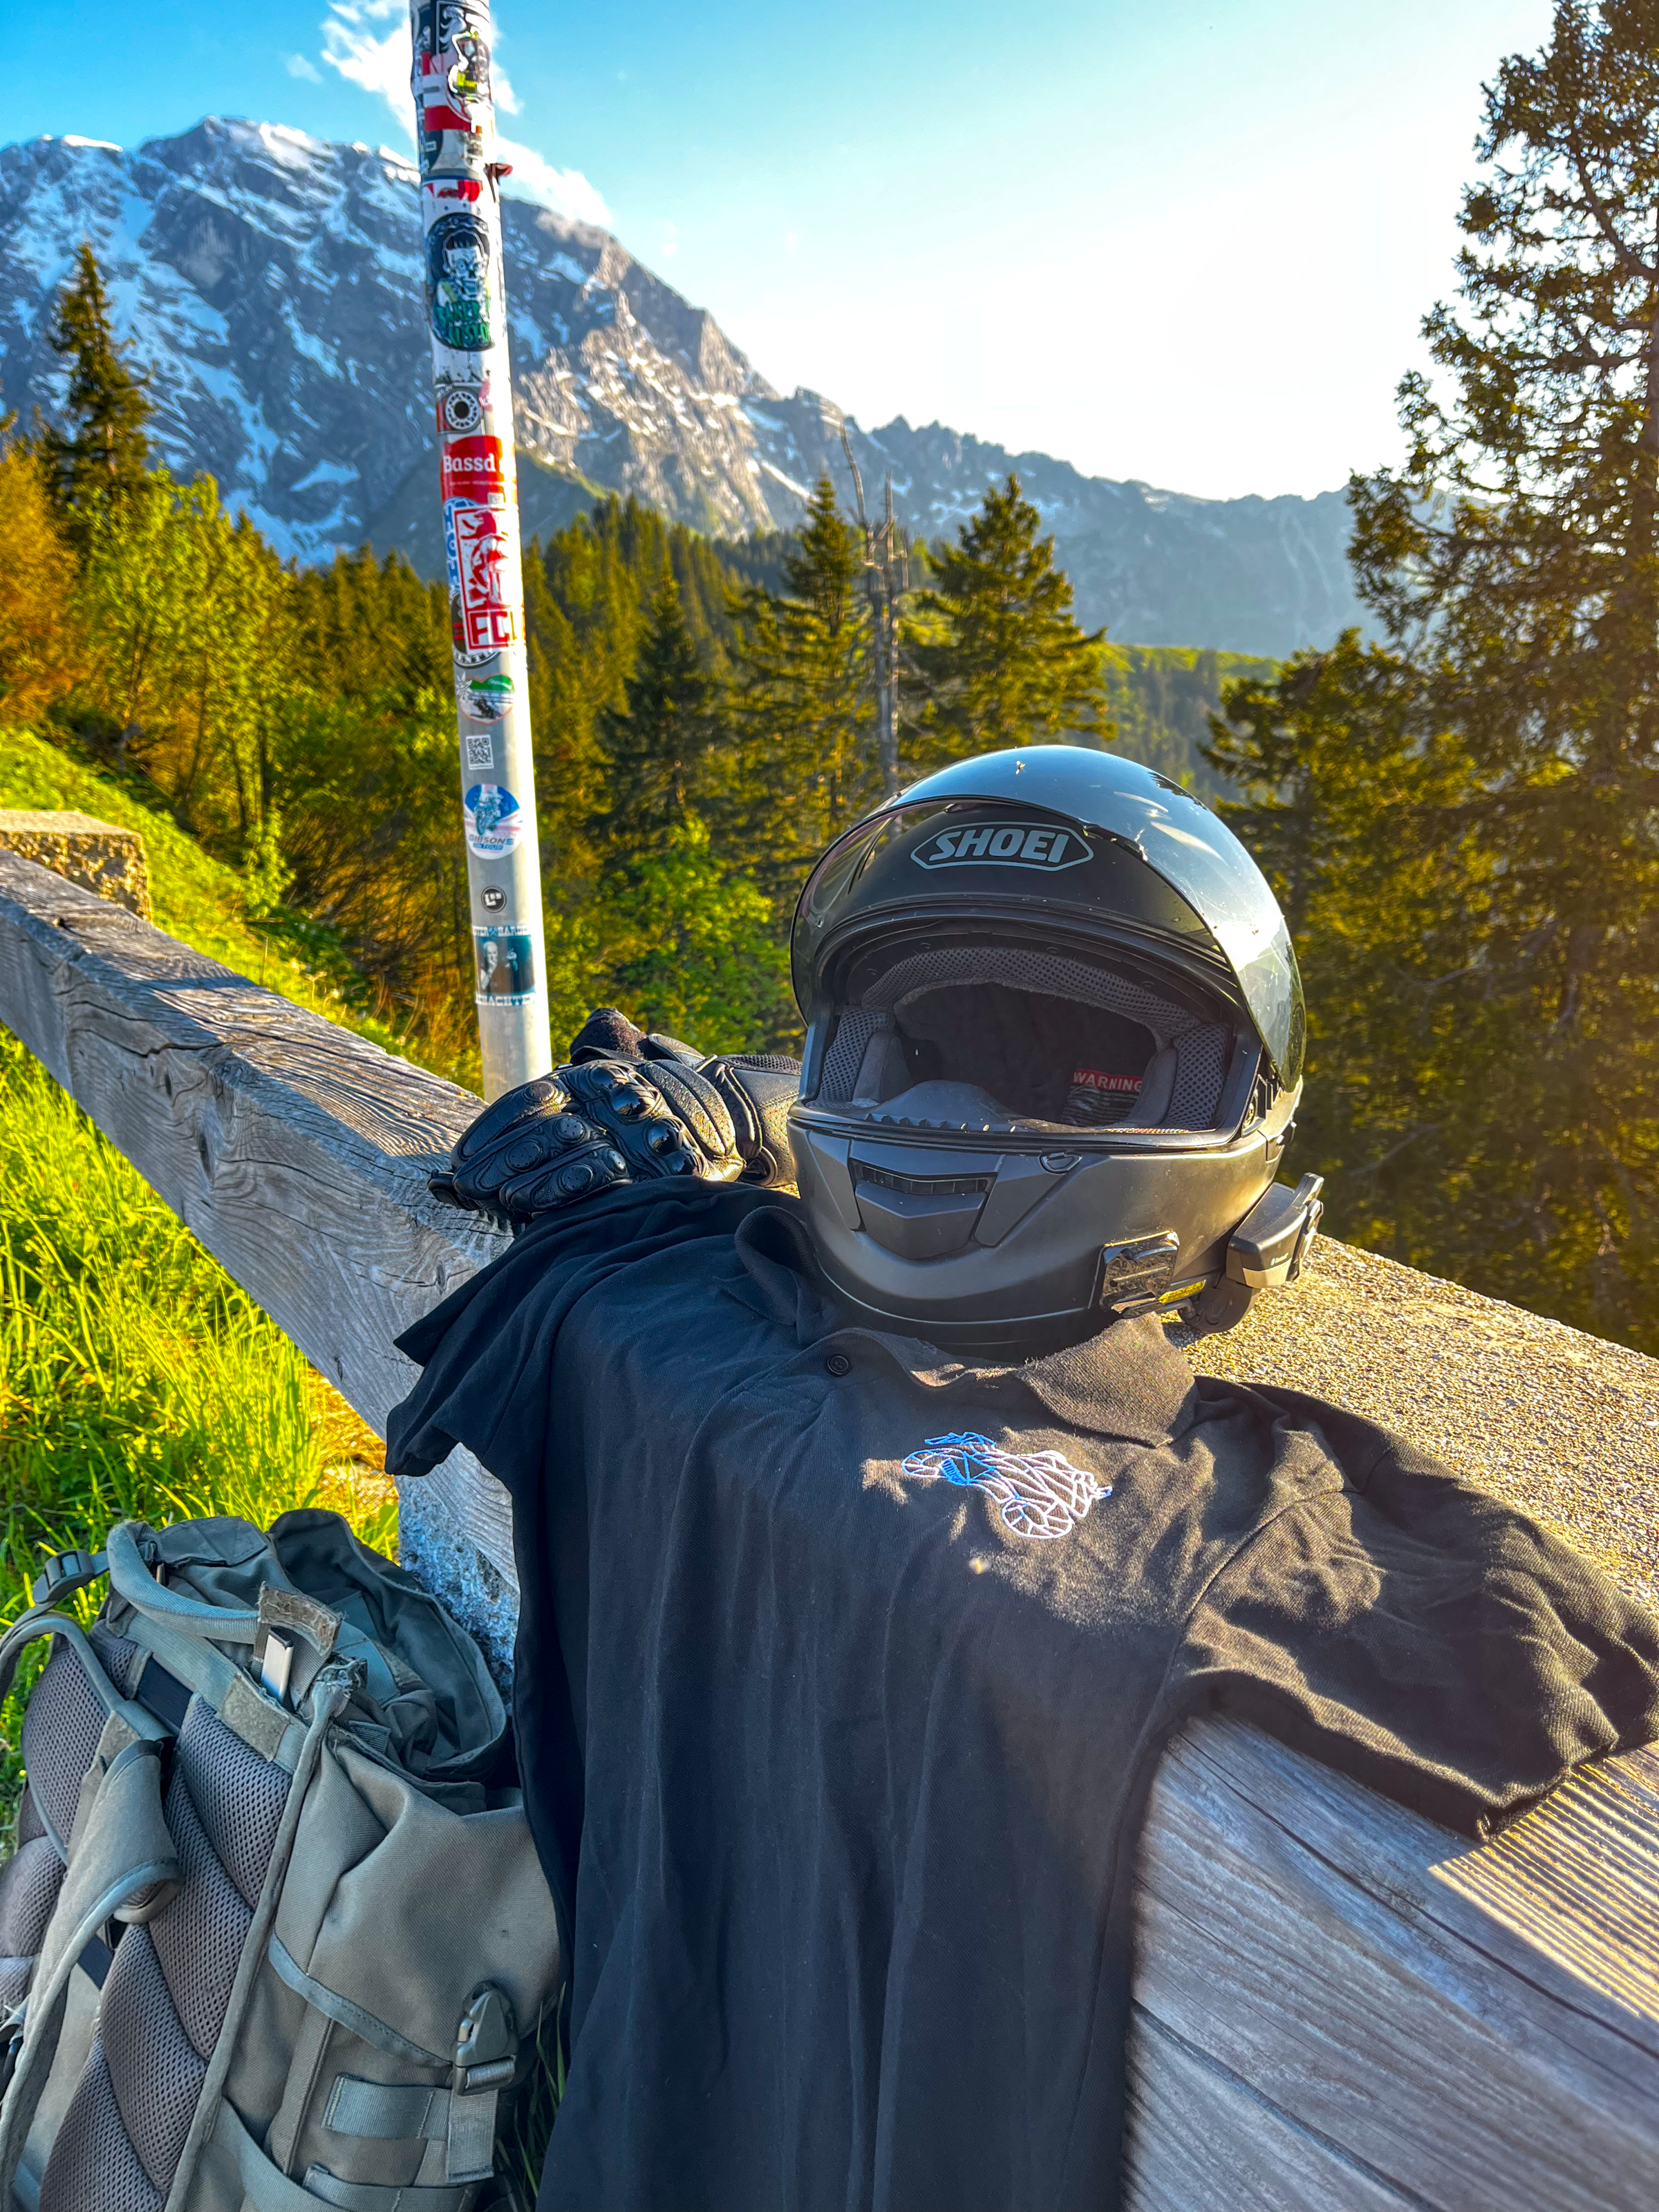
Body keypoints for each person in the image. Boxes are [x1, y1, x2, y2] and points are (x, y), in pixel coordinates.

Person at [388, 747, 1659, 2212]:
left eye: (1075, 1071)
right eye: (912, 1065)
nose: (948, 1116)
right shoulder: (1250, 1518)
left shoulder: (656, 1317)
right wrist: (749, 1098)